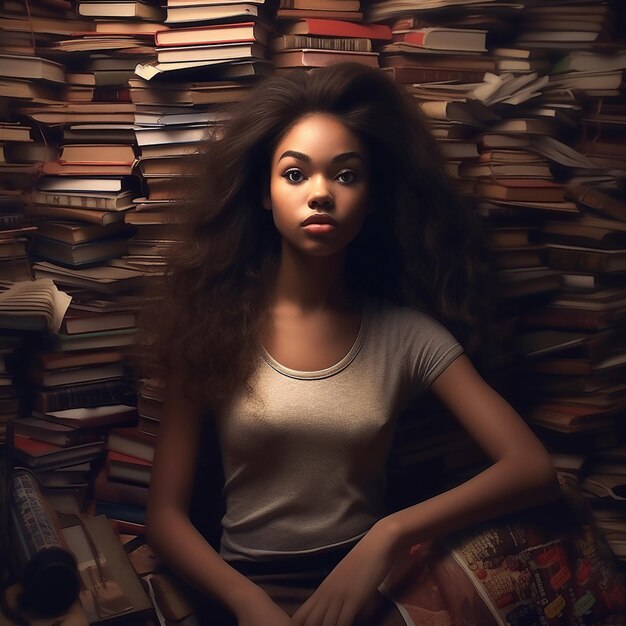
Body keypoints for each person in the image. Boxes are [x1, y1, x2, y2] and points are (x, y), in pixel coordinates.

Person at [142, 63, 560, 626]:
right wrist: (244, 601)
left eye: (345, 175)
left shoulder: (406, 336)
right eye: (295, 175)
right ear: (264, 194)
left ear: (371, 196)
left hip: (370, 590)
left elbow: (532, 468)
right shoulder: (210, 327)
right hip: (245, 590)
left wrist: (390, 534)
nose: (320, 194)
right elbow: (165, 517)